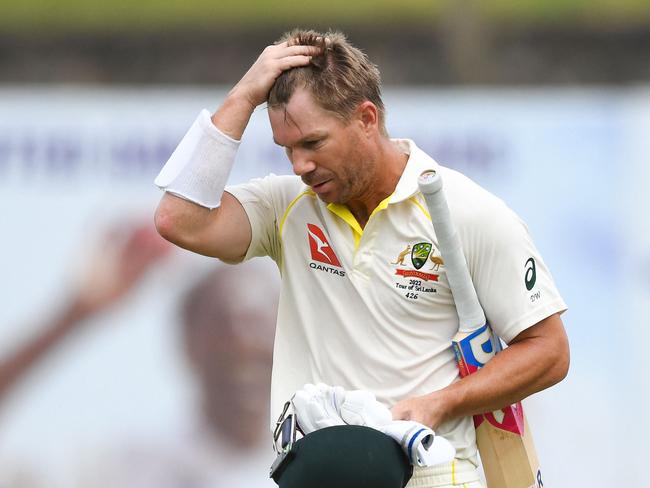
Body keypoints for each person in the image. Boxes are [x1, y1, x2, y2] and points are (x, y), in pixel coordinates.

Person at [154, 28, 570, 488]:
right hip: (321, 474)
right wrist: (244, 95)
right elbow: (179, 220)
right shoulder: (286, 207)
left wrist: (441, 403)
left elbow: (548, 351)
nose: (299, 166)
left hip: (434, 474)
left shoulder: (467, 212)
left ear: (366, 119)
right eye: (286, 149)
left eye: (312, 143)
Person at [0, 223, 280, 488]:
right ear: (188, 344)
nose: (244, 343)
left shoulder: (316, 466)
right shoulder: (117, 471)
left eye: (260, 325)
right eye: (223, 327)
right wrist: (74, 314)